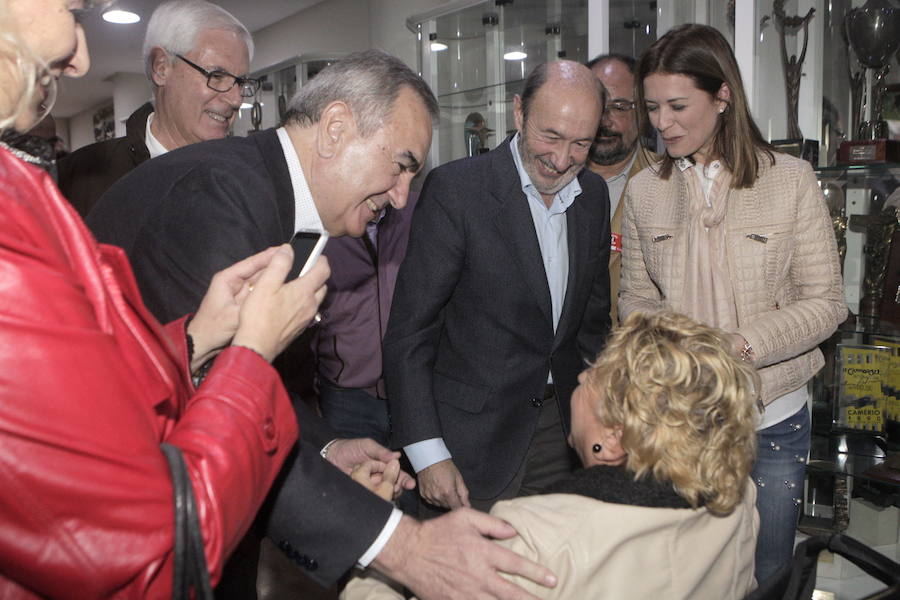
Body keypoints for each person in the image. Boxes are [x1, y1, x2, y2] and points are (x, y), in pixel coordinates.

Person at [87, 50, 557, 599]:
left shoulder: (264, 191)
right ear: (335, 128)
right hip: (126, 532)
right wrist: (404, 547)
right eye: (401, 165)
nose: (402, 196)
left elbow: (244, 384)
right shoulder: (223, 196)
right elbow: (214, 398)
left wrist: (327, 448)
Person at [0, 0, 331, 596]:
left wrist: (197, 340)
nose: (80, 56)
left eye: (240, 82)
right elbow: (148, 538)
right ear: (160, 68)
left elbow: (92, 370)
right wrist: (250, 356)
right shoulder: (45, 194)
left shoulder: (251, 182)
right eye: (73, 10)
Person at [619, 23, 847, 585]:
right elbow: (635, 299)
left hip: (772, 414)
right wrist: (668, 358)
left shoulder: (790, 181)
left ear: (723, 96)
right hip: (679, 418)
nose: (661, 123)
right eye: (652, 107)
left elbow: (826, 303)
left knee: (767, 570)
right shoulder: (645, 191)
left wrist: (742, 345)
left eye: (677, 105)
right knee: (685, 575)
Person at [347, 311, 761, 599]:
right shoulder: (738, 498)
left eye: (595, 376)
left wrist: (368, 529)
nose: (580, 375)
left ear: (614, 440)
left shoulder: (535, 538)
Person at [384, 60, 611, 515]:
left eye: (580, 143)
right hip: (469, 444)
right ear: (519, 113)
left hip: (563, 436)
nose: (563, 159)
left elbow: (592, 326)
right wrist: (428, 454)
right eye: (551, 136)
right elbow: (411, 333)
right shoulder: (456, 191)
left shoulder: (594, 196)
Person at [57, 0, 255, 217]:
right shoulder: (75, 181)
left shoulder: (247, 184)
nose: (236, 99)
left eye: (241, 83)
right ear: (161, 67)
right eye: (216, 76)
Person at [585, 53, 656, 323]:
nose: (605, 119)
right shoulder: (552, 181)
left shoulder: (670, 181)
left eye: (620, 106)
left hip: (636, 353)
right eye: (598, 105)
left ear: (643, 112)